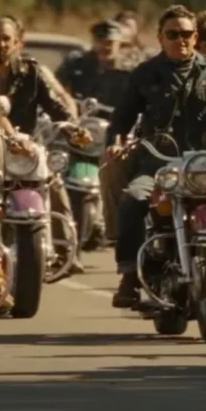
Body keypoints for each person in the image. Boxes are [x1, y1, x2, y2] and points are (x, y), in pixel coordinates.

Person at [105, 5, 206, 308]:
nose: (180, 39)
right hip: (158, 164)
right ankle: (129, 275)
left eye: (186, 34)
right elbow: (122, 119)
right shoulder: (144, 74)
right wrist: (116, 143)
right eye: (173, 34)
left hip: (204, 167)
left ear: (195, 37)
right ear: (160, 38)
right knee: (133, 198)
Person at [0, 15, 82, 275]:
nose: (0, 44)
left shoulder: (31, 72)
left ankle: (64, 250)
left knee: (53, 182)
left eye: (6, 38)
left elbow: (55, 107)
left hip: (24, 151)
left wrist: (73, 129)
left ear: (17, 43)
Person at [56, 19, 138, 247]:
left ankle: (121, 227)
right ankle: (63, 231)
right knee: (57, 165)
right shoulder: (77, 65)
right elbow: (58, 88)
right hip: (81, 129)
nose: (105, 46)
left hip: (116, 132)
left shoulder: (130, 69)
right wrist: (66, 106)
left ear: (120, 43)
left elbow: (140, 98)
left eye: (110, 42)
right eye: (101, 41)